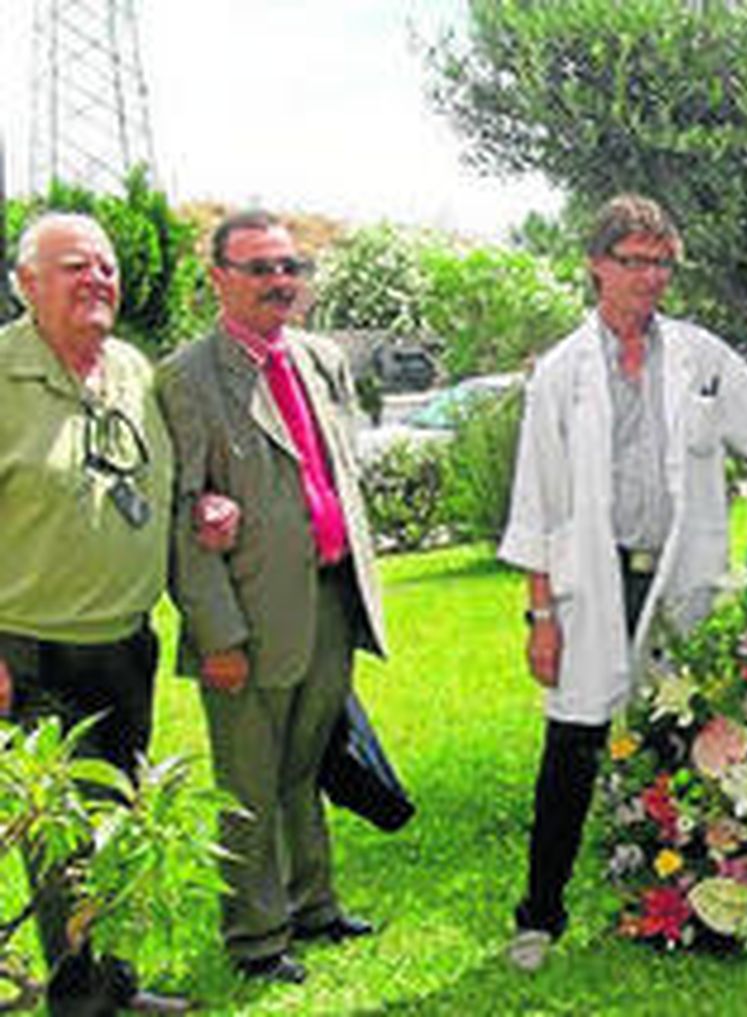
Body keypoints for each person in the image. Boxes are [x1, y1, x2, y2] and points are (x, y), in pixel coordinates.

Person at [498, 194, 747, 972]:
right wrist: (541, 616)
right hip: (595, 579)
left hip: (683, 576)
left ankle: (684, 897)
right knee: (575, 743)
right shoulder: (561, 373)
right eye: (634, 261)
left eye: (662, 262)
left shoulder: (700, 357)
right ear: (596, 265)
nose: (651, 277)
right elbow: (538, 501)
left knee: (693, 733)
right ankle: (539, 914)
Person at [157, 210, 385, 985]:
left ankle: (313, 904)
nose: (279, 282)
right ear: (218, 278)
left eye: (290, 266)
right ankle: (255, 936)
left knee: (304, 762)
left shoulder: (320, 359)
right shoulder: (187, 377)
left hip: (329, 596)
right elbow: (187, 518)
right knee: (249, 780)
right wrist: (217, 634)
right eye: (259, 268)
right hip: (247, 615)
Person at [0, 212, 189, 1014]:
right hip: (31, 651)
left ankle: (114, 979)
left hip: (124, 642)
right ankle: (82, 1002)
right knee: (62, 840)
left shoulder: (131, 371)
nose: (99, 280)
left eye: (107, 267)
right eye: (75, 265)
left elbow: (157, 483)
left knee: (118, 824)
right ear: (25, 284)